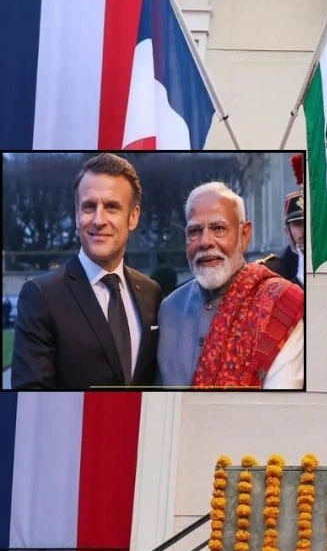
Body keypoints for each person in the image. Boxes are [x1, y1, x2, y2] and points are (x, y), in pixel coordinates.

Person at [10, 153, 163, 390]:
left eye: (112, 207)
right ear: (76, 214)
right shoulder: (42, 295)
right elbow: (31, 398)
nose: (98, 220)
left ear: (133, 217)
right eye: (89, 206)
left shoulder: (151, 293)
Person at [157, 182, 304, 389]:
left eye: (218, 228)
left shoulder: (281, 305)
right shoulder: (168, 308)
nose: (205, 242)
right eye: (195, 231)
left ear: (245, 234)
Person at [259, 153, 304, 287]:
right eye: (298, 224)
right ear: (286, 230)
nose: (304, 231)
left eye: (308, 224)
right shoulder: (271, 270)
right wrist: (299, 281)